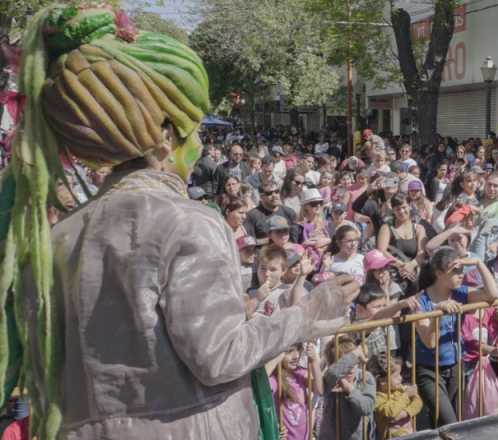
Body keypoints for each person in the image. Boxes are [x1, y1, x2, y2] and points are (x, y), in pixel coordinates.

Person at [0, 6, 360, 437]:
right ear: (166, 135)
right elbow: (219, 355)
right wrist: (308, 313)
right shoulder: (189, 224)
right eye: (196, 131)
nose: (201, 145)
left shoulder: (59, 237)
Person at [412, 248, 498, 428]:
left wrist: (478, 263)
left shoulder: (460, 293)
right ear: (439, 273)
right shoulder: (419, 301)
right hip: (429, 371)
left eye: (462, 270)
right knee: (450, 422)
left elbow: (493, 295)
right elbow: (429, 342)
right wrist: (438, 313)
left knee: (441, 423)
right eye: (455, 271)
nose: (461, 275)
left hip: (455, 367)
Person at [268, 343, 323, 440]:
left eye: (298, 350)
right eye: (289, 351)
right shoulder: (275, 379)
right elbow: (261, 384)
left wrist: (314, 361)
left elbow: (319, 390)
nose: (296, 356)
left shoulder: (300, 373)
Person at [321, 349, 376, 440]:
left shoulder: (365, 377)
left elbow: (367, 407)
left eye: (354, 362)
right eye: (346, 365)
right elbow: (330, 375)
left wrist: (349, 389)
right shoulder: (331, 378)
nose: (351, 369)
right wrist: (356, 353)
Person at [371, 356, 422, 440]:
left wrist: (406, 413)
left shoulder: (400, 389)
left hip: (410, 433)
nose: (401, 378)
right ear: (382, 381)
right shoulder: (378, 397)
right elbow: (390, 412)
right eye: (396, 376)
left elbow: (418, 402)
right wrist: (406, 396)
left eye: (400, 374)